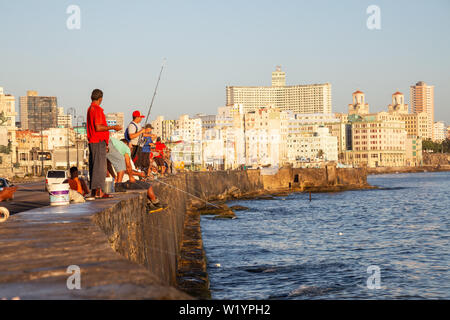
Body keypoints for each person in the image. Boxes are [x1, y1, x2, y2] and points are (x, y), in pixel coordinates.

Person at [107, 137, 166, 212]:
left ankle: (151, 204)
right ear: (125, 145)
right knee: (148, 186)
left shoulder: (115, 154)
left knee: (143, 185)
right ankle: (156, 203)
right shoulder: (125, 152)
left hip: (126, 180)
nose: (131, 147)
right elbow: (126, 168)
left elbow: (111, 166)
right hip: (127, 181)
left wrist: (114, 176)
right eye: (130, 145)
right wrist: (138, 175)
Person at [86, 89, 122, 199]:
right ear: (100, 98)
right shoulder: (96, 109)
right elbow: (98, 127)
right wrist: (113, 127)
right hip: (97, 141)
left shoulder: (90, 109)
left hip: (94, 141)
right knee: (100, 168)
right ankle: (99, 192)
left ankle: (94, 192)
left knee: (94, 166)